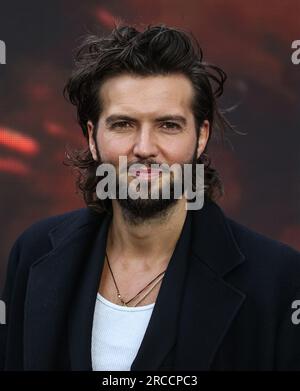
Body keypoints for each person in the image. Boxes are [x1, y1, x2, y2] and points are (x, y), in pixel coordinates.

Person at [1, 24, 300, 371]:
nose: (144, 149)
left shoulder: (278, 279)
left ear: (200, 137)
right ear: (92, 136)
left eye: (168, 125)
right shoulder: (35, 251)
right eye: (123, 124)